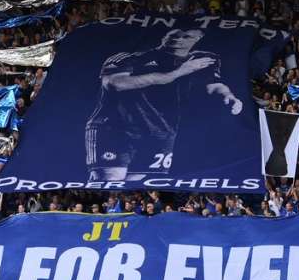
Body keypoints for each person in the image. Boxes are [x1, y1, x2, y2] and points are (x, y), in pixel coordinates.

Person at [84, 28, 243, 183]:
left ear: (198, 40)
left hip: (161, 131)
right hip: (115, 127)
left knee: (141, 182)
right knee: (110, 179)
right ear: (164, 37)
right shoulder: (128, 58)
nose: (178, 39)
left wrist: (228, 95)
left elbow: (212, 85)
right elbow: (115, 84)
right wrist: (177, 73)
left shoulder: (204, 60)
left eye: (186, 36)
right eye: (174, 35)